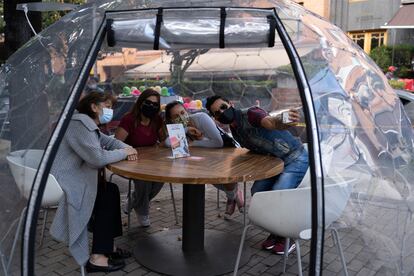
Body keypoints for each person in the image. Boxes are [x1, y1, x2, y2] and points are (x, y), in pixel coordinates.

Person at [205, 95, 309, 255]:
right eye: (217, 113)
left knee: (278, 193)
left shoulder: (251, 113)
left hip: (294, 157)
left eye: (223, 107)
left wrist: (285, 119)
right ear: (215, 118)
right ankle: (275, 233)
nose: (222, 112)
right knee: (258, 192)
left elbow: (270, 122)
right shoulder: (234, 127)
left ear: (230, 104)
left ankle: (287, 238)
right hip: (274, 161)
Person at [50, 92, 138, 273]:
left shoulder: (88, 125)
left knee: (110, 190)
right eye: (107, 106)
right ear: (94, 107)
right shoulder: (79, 125)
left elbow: (110, 142)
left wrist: (127, 148)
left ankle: (108, 247)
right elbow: (97, 159)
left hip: (73, 176)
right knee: (105, 195)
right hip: (63, 180)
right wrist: (125, 152)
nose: (110, 110)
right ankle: (97, 258)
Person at [164, 101, 244, 219]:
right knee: (206, 176)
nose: (181, 117)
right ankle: (234, 195)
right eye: (176, 116)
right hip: (202, 160)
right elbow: (167, 143)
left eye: (182, 112)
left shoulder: (201, 118)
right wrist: (185, 130)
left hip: (223, 155)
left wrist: (194, 143)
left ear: (187, 111)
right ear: (171, 120)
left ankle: (232, 197)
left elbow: (218, 143)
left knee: (221, 176)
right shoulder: (178, 129)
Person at [115, 88, 166, 227]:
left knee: (162, 177)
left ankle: (133, 200)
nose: (151, 106)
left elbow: (163, 142)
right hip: (131, 161)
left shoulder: (157, 120)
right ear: (140, 102)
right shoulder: (129, 119)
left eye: (155, 104)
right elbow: (117, 143)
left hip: (152, 161)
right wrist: (128, 152)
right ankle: (143, 211)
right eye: (148, 102)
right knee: (144, 182)